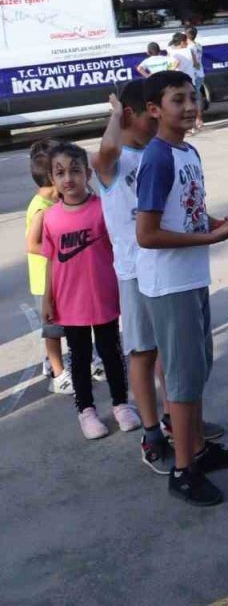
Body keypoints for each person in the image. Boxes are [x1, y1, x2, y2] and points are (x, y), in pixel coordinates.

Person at [135, 70, 228, 506]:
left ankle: (198, 449)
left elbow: (189, 211)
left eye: (191, 97)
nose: (188, 106)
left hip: (191, 276)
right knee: (181, 379)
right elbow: (147, 233)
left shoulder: (188, 151)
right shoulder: (157, 158)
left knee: (196, 369)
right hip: (169, 284)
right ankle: (183, 470)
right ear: (153, 110)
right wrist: (210, 240)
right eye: (176, 100)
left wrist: (222, 226)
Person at [93, 84, 180, 472]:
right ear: (131, 115)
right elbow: (107, 151)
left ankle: (176, 419)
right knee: (143, 353)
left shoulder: (155, 154)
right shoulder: (112, 162)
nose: (156, 120)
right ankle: (151, 431)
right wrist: (114, 113)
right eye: (149, 114)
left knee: (170, 352)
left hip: (165, 267)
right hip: (133, 271)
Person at [41, 142, 139, 439]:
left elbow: (119, 248)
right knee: (80, 357)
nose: (68, 178)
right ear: (52, 179)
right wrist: (48, 298)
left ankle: (121, 404)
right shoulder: (51, 217)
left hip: (104, 296)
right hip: (70, 303)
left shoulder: (103, 210)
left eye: (74, 170)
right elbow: (50, 260)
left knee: (111, 352)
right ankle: (86, 410)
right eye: (60, 172)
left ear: (87, 174)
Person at [26, 138, 74, 394]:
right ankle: (58, 373)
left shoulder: (56, 202)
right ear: (51, 176)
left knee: (68, 323)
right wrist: (57, 250)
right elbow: (31, 245)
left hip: (61, 275)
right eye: (60, 170)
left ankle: (56, 363)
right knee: (53, 329)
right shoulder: (41, 209)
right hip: (45, 280)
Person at [167, 33, 203, 131]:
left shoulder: (173, 52)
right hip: (190, 80)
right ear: (182, 42)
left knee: (181, 103)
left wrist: (169, 70)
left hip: (179, 81)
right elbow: (196, 64)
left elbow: (175, 62)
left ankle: (185, 125)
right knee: (192, 102)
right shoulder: (189, 50)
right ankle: (196, 122)